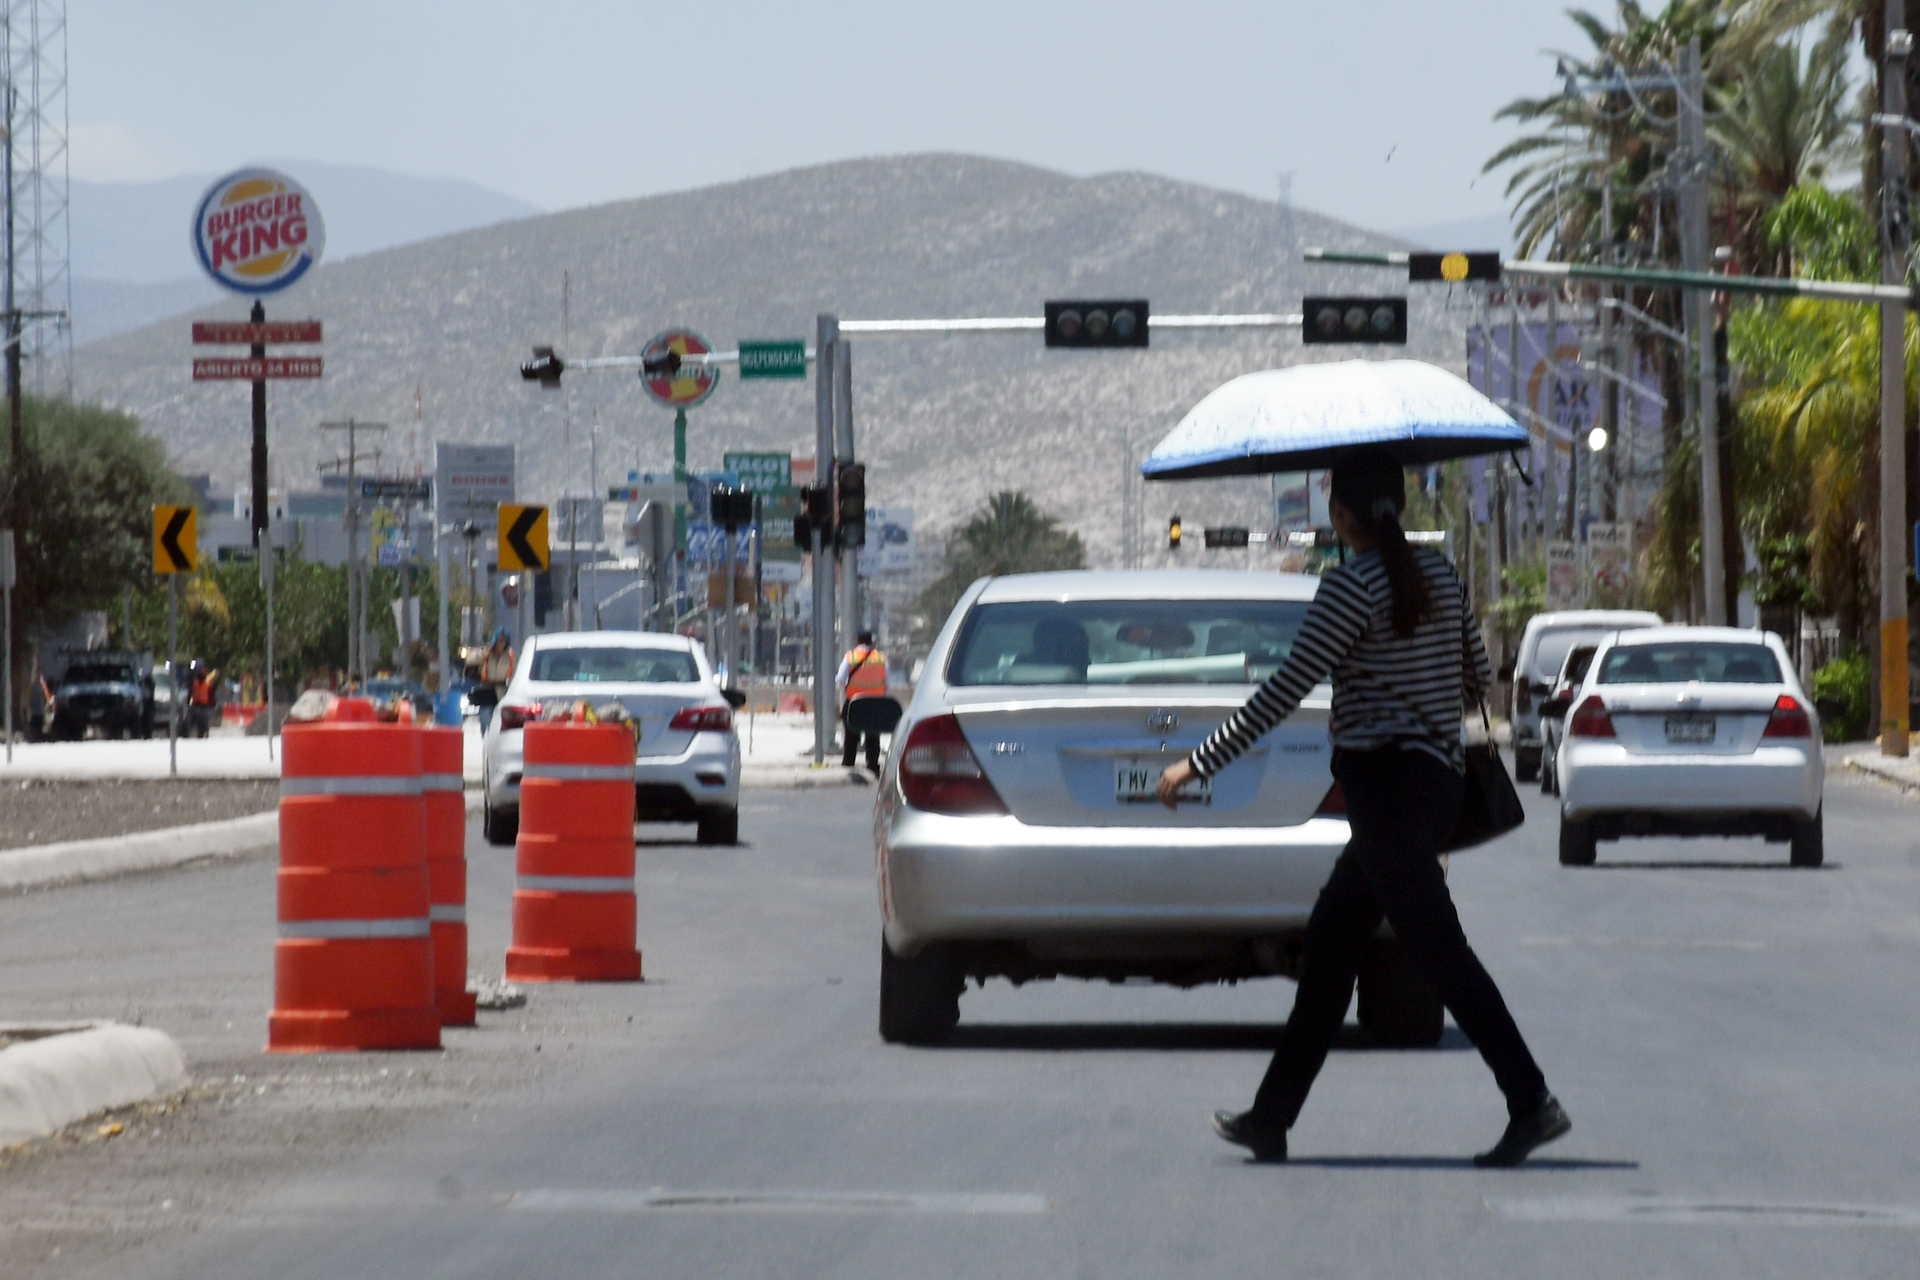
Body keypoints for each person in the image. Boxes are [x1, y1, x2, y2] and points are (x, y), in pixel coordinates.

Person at [1157, 446, 1568, 1168]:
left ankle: (1531, 1099)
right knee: (1330, 950)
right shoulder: (1440, 575)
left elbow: (1283, 693)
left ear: (1341, 515)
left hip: (1386, 793)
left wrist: (1199, 761)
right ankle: (1272, 1117)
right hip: (1434, 786)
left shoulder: (1348, 592)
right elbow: (1476, 671)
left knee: (1440, 954)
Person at [836, 629, 888, 770]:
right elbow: (886, 682)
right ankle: (872, 764)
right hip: (874, 703)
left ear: (857, 641)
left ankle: (849, 762)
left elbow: (840, 679)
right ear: (871, 642)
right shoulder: (881, 658)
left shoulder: (851, 656)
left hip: (854, 702)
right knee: (873, 736)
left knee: (851, 735)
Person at [479, 628, 516, 731]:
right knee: (486, 718)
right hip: (487, 689)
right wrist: (483, 656)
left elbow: (513, 672)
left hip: (502, 691)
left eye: (503, 641)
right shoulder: (487, 653)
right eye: (499, 640)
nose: (501, 643)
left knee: (501, 720)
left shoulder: (509, 655)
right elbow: (473, 664)